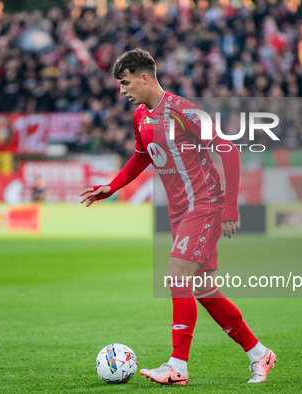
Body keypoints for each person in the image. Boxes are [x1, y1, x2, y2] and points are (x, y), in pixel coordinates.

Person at [80, 48, 276, 386]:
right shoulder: (142, 115)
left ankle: (177, 367)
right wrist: (112, 187)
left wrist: (230, 206)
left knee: (177, 276)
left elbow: (227, 148)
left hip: (205, 204)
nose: (123, 91)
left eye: (126, 83)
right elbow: (141, 156)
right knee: (203, 289)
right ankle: (259, 354)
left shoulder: (184, 111)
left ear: (145, 78)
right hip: (180, 211)